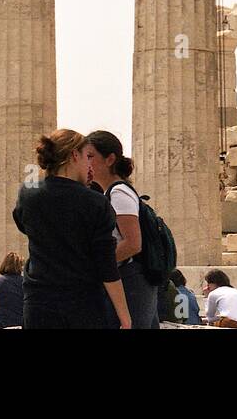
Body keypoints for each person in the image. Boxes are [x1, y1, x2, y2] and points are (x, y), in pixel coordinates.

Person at [12, 129, 131, 329]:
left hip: (38, 302)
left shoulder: (28, 193)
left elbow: (24, 225)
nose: (90, 164)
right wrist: (125, 317)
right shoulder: (96, 203)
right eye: (87, 157)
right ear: (75, 155)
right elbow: (106, 264)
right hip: (83, 304)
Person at [85, 130, 160, 329]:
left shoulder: (118, 192)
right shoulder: (109, 192)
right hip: (127, 276)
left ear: (109, 159)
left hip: (131, 278)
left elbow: (133, 243)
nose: (86, 162)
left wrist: (97, 266)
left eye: (90, 156)